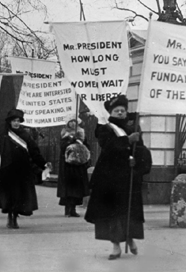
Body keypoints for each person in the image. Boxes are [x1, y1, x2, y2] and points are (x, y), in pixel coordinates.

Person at [85, 95, 152, 260]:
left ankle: (130, 239)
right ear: (111, 112)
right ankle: (116, 246)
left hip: (129, 176)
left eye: (123, 110)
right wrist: (127, 141)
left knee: (129, 211)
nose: (121, 113)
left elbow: (141, 150)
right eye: (117, 110)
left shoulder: (133, 126)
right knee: (113, 213)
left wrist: (137, 160)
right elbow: (108, 148)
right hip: (110, 178)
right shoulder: (105, 128)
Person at [0, 109, 52, 229]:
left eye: (18, 121)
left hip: (22, 170)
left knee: (19, 195)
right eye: (14, 121)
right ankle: (10, 217)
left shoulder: (25, 135)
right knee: (10, 195)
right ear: (9, 122)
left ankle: (15, 217)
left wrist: (43, 164)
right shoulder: (3, 134)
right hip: (7, 169)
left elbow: (34, 152)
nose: (16, 123)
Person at [57, 115, 90, 217]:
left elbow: (86, 146)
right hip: (68, 165)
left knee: (77, 188)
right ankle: (67, 209)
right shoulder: (64, 134)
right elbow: (63, 147)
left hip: (79, 165)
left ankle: (73, 209)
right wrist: (71, 140)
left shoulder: (81, 133)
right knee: (68, 188)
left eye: (74, 122)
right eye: (71, 122)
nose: (73, 124)